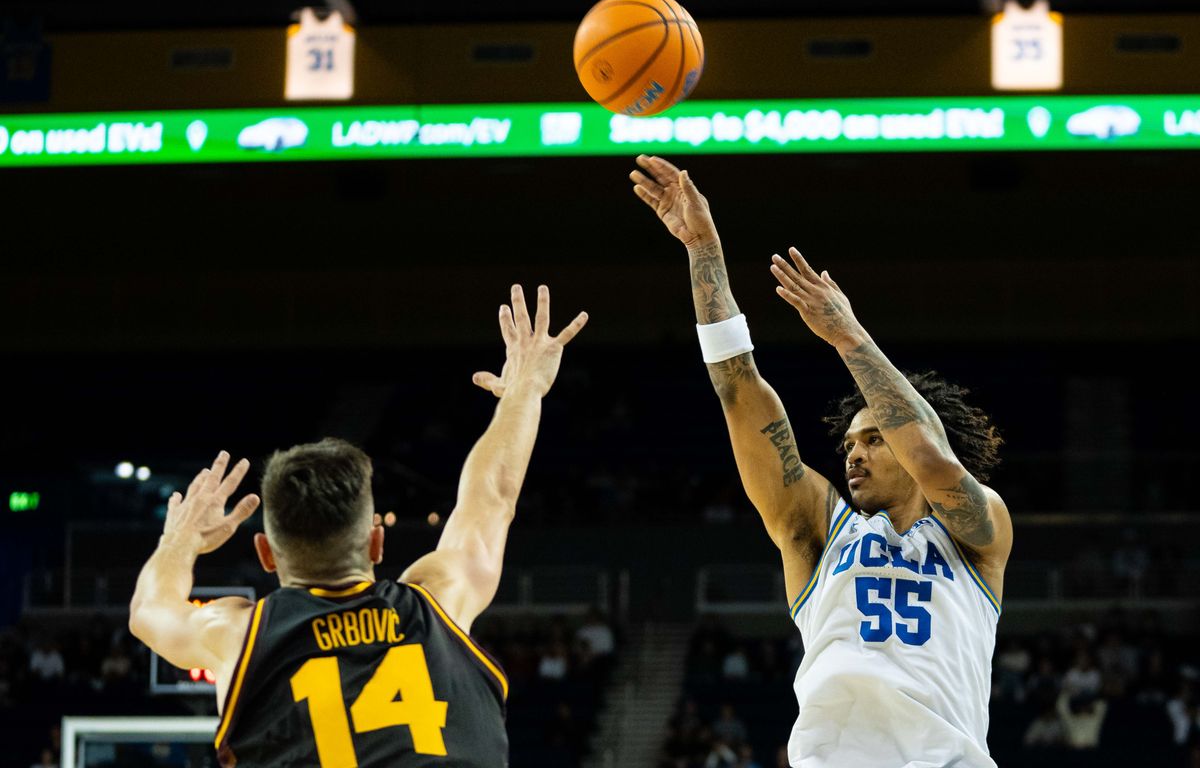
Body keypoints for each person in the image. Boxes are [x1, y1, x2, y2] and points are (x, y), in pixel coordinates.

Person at [631, 155, 1013, 768]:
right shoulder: (820, 530)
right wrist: (703, 247)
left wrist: (849, 337)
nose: (853, 454)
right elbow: (738, 387)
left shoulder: (977, 531)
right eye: (848, 445)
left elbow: (930, 458)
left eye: (872, 440)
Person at [128, 285, 587, 768]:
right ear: (376, 541)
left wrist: (180, 541)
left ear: (266, 552)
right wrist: (524, 392)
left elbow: (148, 611)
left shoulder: (237, 634)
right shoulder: (438, 603)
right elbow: (492, 497)